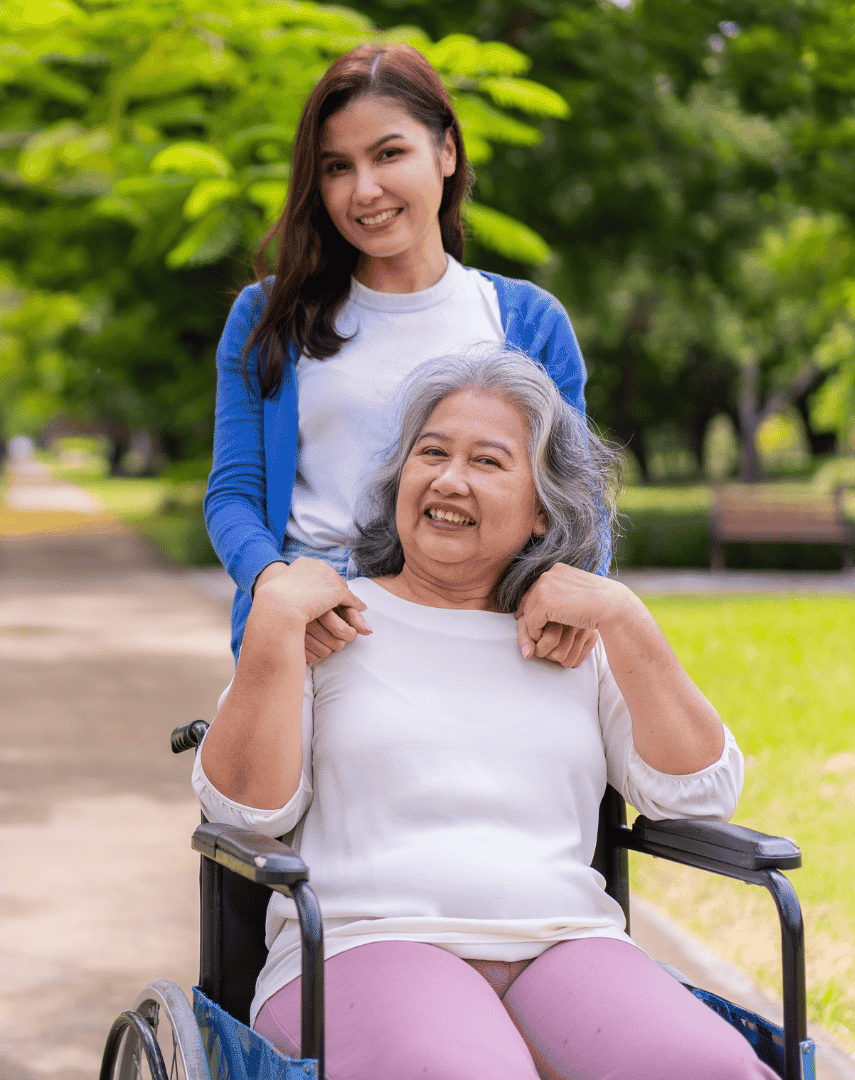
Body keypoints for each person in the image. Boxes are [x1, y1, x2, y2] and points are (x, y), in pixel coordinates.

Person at [193, 350, 778, 1080]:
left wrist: (627, 620)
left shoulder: (577, 637)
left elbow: (698, 792)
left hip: (565, 945)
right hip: (364, 944)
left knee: (712, 1071)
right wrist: (274, 620)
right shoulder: (328, 621)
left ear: (542, 510)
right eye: (430, 453)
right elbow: (243, 812)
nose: (448, 478)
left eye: (488, 462)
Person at [206, 41, 606, 669]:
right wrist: (274, 587)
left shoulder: (527, 321)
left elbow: (577, 502)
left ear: (446, 151)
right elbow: (233, 495)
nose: (364, 190)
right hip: (319, 625)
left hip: (484, 617)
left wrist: (578, 598)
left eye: (389, 154)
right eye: (337, 167)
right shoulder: (267, 318)